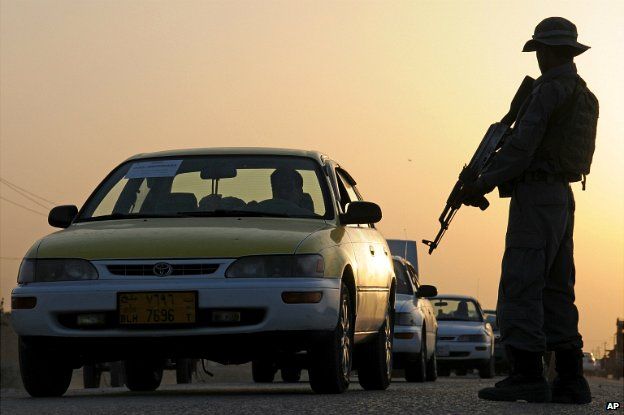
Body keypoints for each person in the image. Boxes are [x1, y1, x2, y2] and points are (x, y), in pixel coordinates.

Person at [460, 17, 599, 404]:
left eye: (541, 50)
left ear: (551, 51)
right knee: (557, 289)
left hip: (536, 197)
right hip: (561, 198)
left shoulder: (549, 91)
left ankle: (527, 375)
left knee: (521, 284)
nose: (538, 58)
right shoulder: (583, 93)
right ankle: (570, 379)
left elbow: (522, 147)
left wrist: (482, 182)